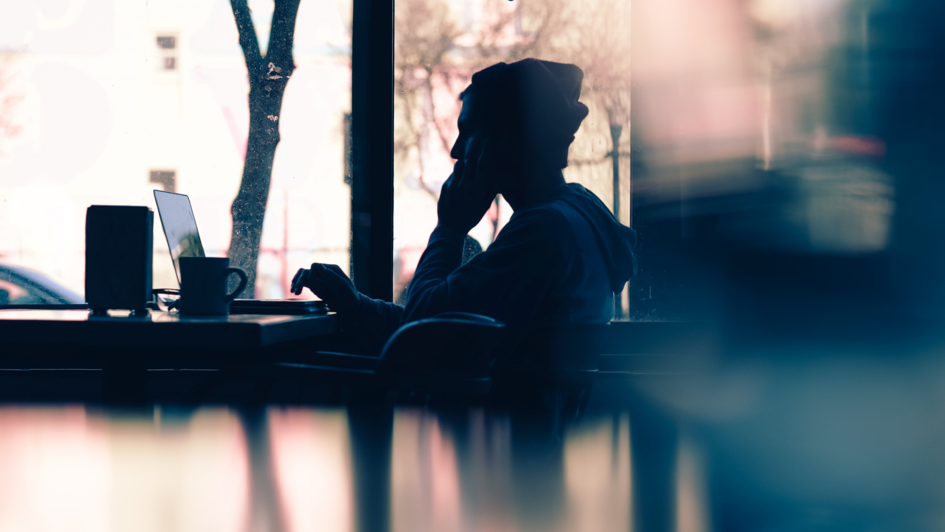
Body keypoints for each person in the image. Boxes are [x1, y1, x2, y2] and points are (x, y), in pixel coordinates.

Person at [291, 59, 637, 352]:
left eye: (468, 131)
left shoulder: (542, 232)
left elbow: (421, 331)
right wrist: (356, 304)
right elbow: (445, 317)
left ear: (511, 138)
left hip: (493, 427)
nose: (456, 150)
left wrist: (450, 229)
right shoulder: (575, 213)